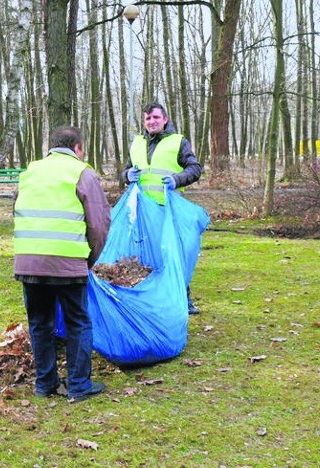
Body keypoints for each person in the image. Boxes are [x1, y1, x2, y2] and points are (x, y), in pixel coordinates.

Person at [13, 126, 111, 403]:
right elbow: (99, 223)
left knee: (39, 323)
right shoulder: (82, 172)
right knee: (77, 322)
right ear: (78, 148)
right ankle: (79, 385)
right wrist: (89, 259)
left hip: (29, 261)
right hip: (67, 261)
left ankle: (45, 384)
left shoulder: (29, 171)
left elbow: (17, 211)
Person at [121, 102, 202, 314]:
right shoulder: (137, 143)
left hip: (168, 210)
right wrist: (126, 176)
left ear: (165, 119)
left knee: (175, 254)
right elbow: (126, 169)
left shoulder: (178, 142)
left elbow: (194, 168)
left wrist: (177, 179)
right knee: (146, 255)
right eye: (148, 118)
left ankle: (183, 299)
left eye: (156, 117)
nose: (152, 122)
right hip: (142, 212)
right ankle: (151, 297)